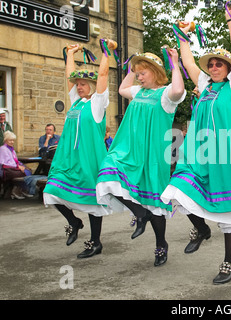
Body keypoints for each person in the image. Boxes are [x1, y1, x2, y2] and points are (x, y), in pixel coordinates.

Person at [161, 7, 231, 285]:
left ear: (227, 67)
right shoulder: (205, 85)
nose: (213, 67)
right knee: (176, 192)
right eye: (210, 64)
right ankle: (201, 230)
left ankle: (229, 263)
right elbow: (188, 62)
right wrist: (183, 37)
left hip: (230, 155)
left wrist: (229, 20)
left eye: (218, 64)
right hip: (201, 154)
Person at [96, 49, 185, 267]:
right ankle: (139, 213)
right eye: (138, 74)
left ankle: (161, 244)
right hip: (129, 151)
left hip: (153, 156)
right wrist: (130, 68)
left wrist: (174, 63)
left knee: (155, 206)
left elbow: (178, 89)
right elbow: (123, 88)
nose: (139, 77)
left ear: (155, 72)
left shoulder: (165, 95)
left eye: (143, 73)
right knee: (107, 175)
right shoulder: (137, 92)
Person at [43, 39, 115, 258]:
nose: (78, 86)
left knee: (93, 202)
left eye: (83, 83)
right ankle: (74, 222)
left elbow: (103, 76)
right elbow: (69, 77)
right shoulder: (75, 102)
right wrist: (70, 54)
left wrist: (106, 52)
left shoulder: (97, 104)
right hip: (68, 157)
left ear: (92, 87)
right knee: (51, 192)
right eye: (78, 84)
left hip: (89, 158)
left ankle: (95, 242)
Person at [0, 130, 32, 199]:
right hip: (6, 170)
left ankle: (22, 190)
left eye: (13, 140)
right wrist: (18, 167)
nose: (12, 142)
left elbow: (15, 160)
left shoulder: (12, 149)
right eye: (10, 140)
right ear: (6, 140)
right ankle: (16, 190)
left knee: (28, 170)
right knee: (25, 173)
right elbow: (4, 163)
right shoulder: (3, 149)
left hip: (13, 169)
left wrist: (22, 166)